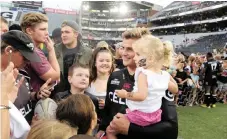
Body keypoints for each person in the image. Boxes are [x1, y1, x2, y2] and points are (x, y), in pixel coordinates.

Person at [97, 28, 178, 139]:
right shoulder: (115, 76)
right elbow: (108, 110)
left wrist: (130, 129)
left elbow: (171, 129)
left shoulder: (158, 79)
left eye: (130, 49)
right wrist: (102, 128)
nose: (124, 53)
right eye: (122, 48)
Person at [20, 12, 60, 92]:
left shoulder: (23, 46)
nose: (47, 33)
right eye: (43, 29)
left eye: (47, 29)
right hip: (29, 99)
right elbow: (55, 77)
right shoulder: (33, 51)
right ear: (29, 31)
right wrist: (51, 50)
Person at [54, 20, 92, 92]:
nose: (63, 35)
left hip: (79, 93)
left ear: (76, 34)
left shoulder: (87, 52)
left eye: (67, 32)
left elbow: (92, 73)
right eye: (62, 32)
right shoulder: (54, 50)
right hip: (58, 93)